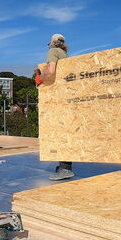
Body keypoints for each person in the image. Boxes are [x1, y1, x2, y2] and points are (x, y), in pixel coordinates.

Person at [35, 34, 74, 181]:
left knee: (59, 131)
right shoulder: (65, 54)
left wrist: (40, 77)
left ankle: (65, 168)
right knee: (65, 131)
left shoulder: (53, 52)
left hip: (58, 98)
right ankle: (65, 166)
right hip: (67, 97)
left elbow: (51, 71)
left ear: (52, 43)